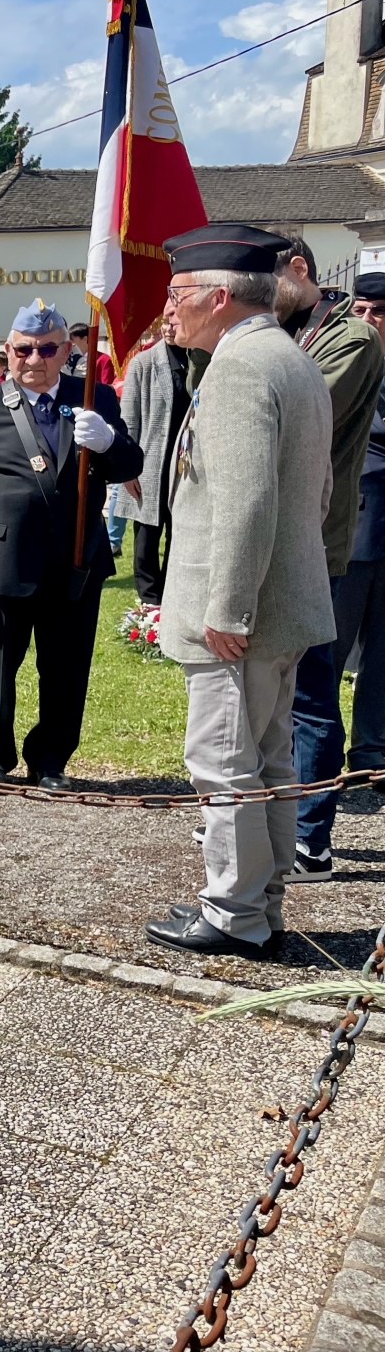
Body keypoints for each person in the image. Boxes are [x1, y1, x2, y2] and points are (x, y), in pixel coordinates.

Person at [146, 226, 336, 958]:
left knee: (224, 763)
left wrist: (228, 608)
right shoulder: (290, 356)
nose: (168, 307)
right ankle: (263, 900)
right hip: (283, 604)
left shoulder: (240, 367)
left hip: (241, 617)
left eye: (177, 293)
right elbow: (319, 491)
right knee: (269, 760)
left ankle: (234, 913)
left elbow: (248, 502)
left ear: (218, 296)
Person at [0, 299, 143, 788]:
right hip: (5, 560)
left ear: (66, 351)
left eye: (47, 349)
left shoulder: (93, 397)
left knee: (67, 666)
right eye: (24, 350)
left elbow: (129, 466)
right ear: (8, 350)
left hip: (77, 558)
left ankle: (51, 759)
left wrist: (109, 442)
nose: (34, 359)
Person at [281, 240, 385, 882]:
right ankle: (282, 819)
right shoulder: (302, 337)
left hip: (339, 534)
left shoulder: (349, 344)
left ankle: (314, 827)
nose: (372, 320)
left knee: (323, 683)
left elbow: (301, 416)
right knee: (305, 677)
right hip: (339, 533)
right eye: (366, 308)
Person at [332, 276, 385, 788]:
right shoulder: (342, 361)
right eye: (361, 310)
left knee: (384, 654)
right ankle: (316, 755)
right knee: (331, 647)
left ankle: (372, 753)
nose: (368, 321)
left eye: (379, 312)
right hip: (356, 525)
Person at [112, 334, 196, 605]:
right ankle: (149, 599)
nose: (169, 328)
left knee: (179, 532)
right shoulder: (143, 363)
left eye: (174, 320)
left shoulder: (200, 357)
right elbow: (129, 420)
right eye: (165, 322)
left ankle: (171, 593)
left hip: (186, 465)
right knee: (147, 534)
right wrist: (128, 469)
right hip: (150, 463)